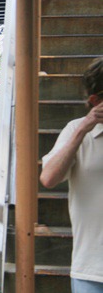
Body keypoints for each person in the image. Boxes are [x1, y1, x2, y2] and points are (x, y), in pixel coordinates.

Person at [40, 57, 103, 293]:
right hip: (93, 271)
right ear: (95, 101)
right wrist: (81, 131)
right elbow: (48, 179)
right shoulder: (77, 132)